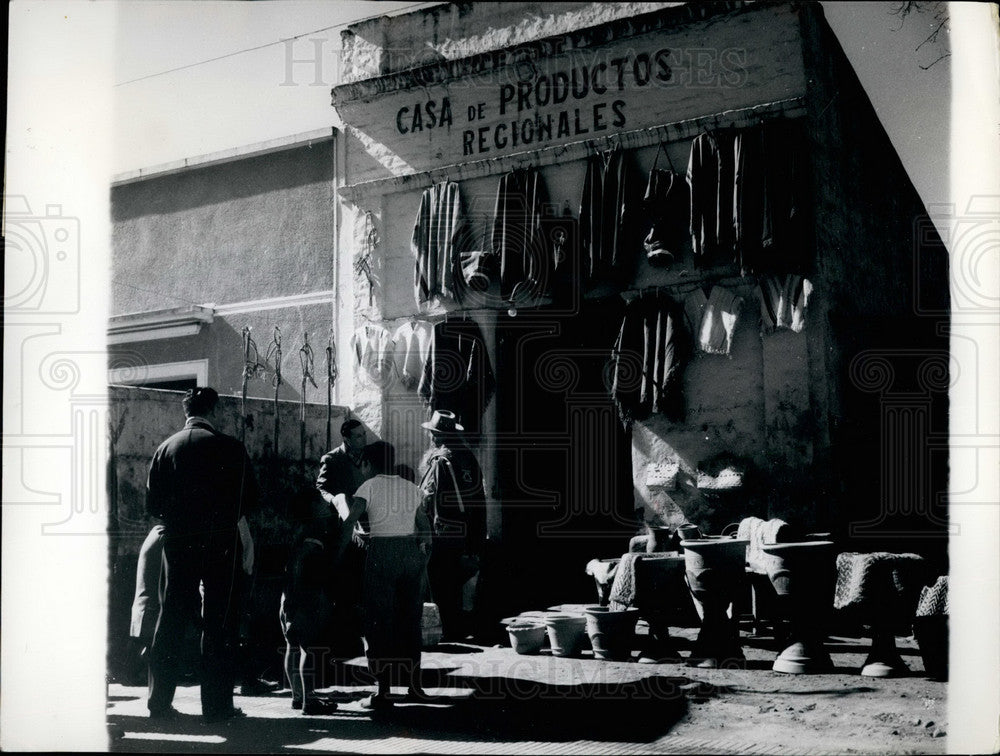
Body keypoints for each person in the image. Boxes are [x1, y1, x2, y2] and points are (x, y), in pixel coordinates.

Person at [145, 387, 257, 723]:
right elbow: (248, 500)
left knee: (170, 620)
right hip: (220, 542)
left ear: (187, 412)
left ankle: (158, 703)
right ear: (214, 411)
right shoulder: (230, 448)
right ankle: (217, 706)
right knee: (219, 622)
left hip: (178, 543)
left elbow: (153, 506)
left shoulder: (165, 449)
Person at [342, 441, 431, 711]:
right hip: (409, 553)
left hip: (382, 553)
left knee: (379, 621)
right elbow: (425, 529)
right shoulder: (411, 488)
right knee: (410, 620)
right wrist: (422, 562)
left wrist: (339, 552)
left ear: (368, 463)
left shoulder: (368, 486)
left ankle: (383, 691)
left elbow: (350, 523)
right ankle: (415, 686)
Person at [418, 410, 487, 642]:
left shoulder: (440, 461)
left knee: (441, 581)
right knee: (459, 581)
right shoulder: (469, 457)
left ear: (437, 437)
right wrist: (477, 536)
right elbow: (479, 500)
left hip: (443, 533)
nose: (431, 438)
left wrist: (427, 533)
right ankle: (460, 625)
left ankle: (447, 629)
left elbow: (433, 500)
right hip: (468, 532)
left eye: (433, 434)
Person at [278, 494, 342, 716]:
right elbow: (307, 565)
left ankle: (297, 697)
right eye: (322, 504)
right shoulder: (315, 535)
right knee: (309, 647)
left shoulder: (297, 531)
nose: (327, 506)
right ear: (313, 509)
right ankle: (310, 700)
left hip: (289, 595)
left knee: (292, 645)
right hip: (307, 594)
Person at [315, 418, 371, 661]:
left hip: (367, 526)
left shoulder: (369, 458)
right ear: (346, 438)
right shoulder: (333, 458)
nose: (363, 439)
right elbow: (321, 488)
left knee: (361, 584)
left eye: (364, 435)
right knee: (342, 584)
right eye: (358, 436)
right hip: (343, 528)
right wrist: (336, 500)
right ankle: (342, 643)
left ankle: (357, 640)